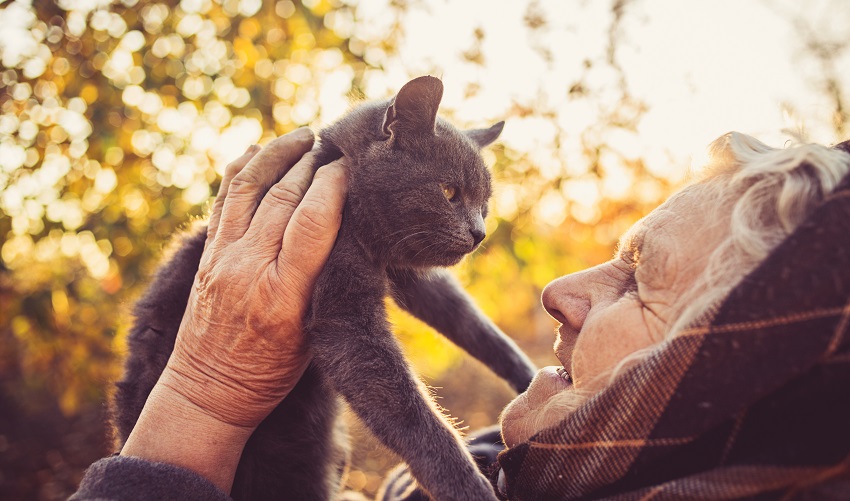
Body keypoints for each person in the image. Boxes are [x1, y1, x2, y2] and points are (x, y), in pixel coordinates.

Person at [72, 129, 850, 500]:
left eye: (639, 276)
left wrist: (203, 394)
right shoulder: (502, 475)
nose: (560, 288)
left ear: (728, 361)